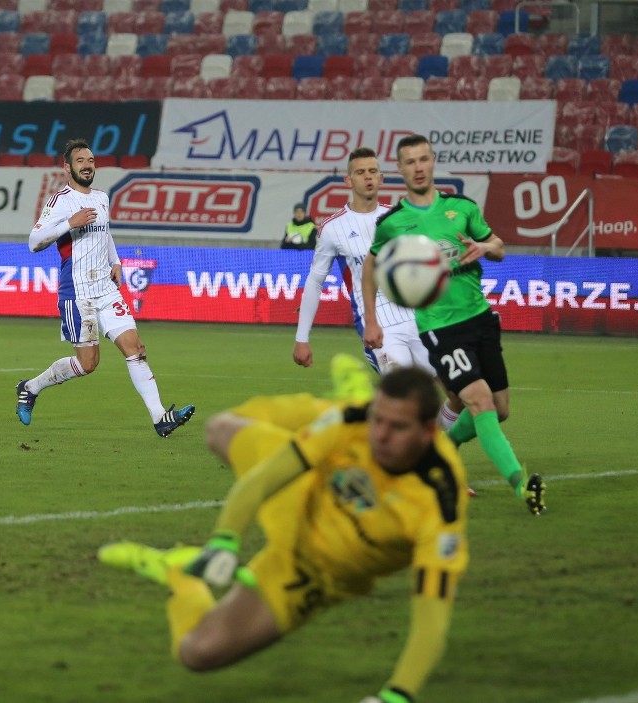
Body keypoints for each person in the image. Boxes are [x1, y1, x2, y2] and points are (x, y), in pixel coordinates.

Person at [99, 365, 470, 703]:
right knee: (219, 428)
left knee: (197, 654)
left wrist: (398, 695)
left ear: (428, 430)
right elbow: (264, 479)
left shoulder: (440, 499)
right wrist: (225, 539)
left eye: (397, 427)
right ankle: (337, 401)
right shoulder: (355, 422)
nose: (381, 436)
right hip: (299, 496)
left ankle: (180, 575)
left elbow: (432, 612)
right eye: (378, 420)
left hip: (312, 574)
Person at [361, 134, 546, 516]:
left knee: (500, 407)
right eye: (410, 162)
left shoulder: (461, 208)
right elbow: (370, 266)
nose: (418, 167)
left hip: (480, 317)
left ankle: (445, 446)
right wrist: (372, 317)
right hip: (440, 327)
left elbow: (499, 246)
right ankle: (521, 486)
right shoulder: (392, 223)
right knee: (477, 400)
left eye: (423, 159)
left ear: (432, 162)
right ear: (400, 169)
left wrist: (485, 248)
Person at [16, 138, 195, 437]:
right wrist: (68, 224)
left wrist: (116, 261)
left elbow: (105, 233)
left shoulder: (101, 197)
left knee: (135, 348)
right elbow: (34, 243)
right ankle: (31, 387)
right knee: (88, 363)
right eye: (81, 161)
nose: (87, 166)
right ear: (67, 167)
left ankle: (160, 417)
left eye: (91, 161)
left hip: (105, 286)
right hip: (77, 289)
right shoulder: (59, 201)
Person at [292, 147, 462, 430]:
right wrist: (302, 337)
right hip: (380, 327)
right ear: (349, 181)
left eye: (372, 171)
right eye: (360, 172)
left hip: (418, 319)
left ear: (382, 178)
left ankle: (436, 446)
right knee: (409, 401)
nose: (367, 177)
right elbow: (315, 281)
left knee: (459, 392)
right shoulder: (333, 228)